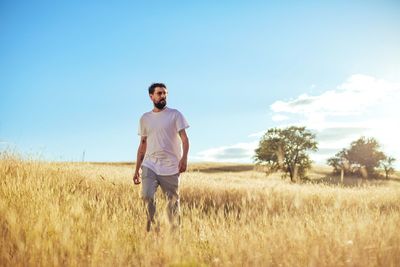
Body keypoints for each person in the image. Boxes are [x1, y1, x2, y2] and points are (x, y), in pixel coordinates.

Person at [133, 83, 189, 232]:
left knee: (172, 203)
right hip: (150, 164)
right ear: (151, 96)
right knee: (146, 196)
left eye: (165, 93)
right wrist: (137, 169)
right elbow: (143, 143)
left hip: (171, 166)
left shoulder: (175, 114)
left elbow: (184, 138)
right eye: (159, 93)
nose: (163, 96)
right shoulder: (144, 118)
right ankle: (154, 228)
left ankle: (175, 237)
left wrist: (184, 158)